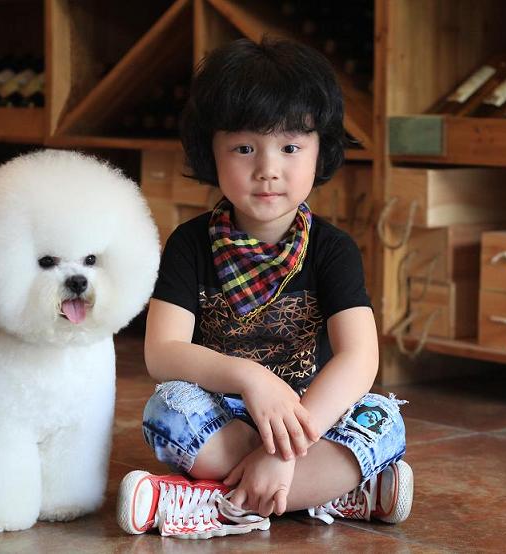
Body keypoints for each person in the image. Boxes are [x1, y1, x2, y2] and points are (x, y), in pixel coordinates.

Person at [117, 37, 412, 540]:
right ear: (210, 152)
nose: (268, 169)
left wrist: (282, 453)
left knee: (384, 419)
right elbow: (162, 353)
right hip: (225, 417)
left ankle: (209, 503)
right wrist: (251, 378)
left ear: (320, 152)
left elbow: (359, 358)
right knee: (166, 411)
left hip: (311, 418)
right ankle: (332, 494)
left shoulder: (332, 249)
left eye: (290, 147)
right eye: (244, 148)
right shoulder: (190, 243)